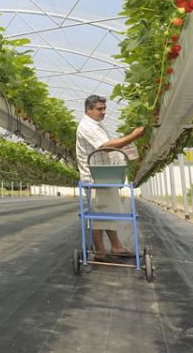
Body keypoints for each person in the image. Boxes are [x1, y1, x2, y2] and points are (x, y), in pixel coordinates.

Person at [75, 95, 145, 261]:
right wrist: (133, 136)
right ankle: (100, 251)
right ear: (88, 110)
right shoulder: (87, 126)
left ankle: (116, 246)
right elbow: (105, 147)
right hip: (96, 179)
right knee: (99, 214)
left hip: (105, 176)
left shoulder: (96, 125)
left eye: (104, 108)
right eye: (99, 109)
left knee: (106, 212)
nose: (103, 112)